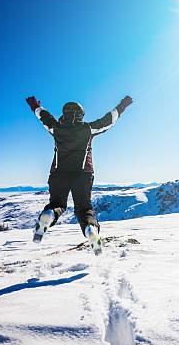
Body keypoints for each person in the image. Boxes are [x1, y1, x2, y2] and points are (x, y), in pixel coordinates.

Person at [25, 95, 133, 254]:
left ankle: (48, 215)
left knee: (57, 204)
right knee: (84, 208)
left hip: (58, 173)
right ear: (81, 114)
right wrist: (122, 105)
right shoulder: (87, 129)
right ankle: (91, 230)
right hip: (83, 174)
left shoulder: (57, 128)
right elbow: (108, 120)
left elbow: (44, 117)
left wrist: (34, 106)